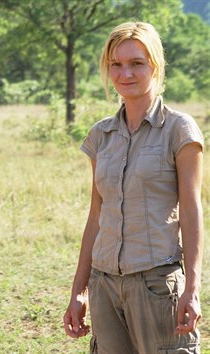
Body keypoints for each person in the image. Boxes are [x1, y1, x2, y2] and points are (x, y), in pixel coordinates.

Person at [63, 21, 204, 353]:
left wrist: (192, 289)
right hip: (105, 287)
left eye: (136, 63)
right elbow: (96, 216)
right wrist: (79, 291)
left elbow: (191, 211)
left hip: (157, 285)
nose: (125, 73)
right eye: (116, 64)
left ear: (155, 65)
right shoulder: (101, 135)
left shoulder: (179, 130)